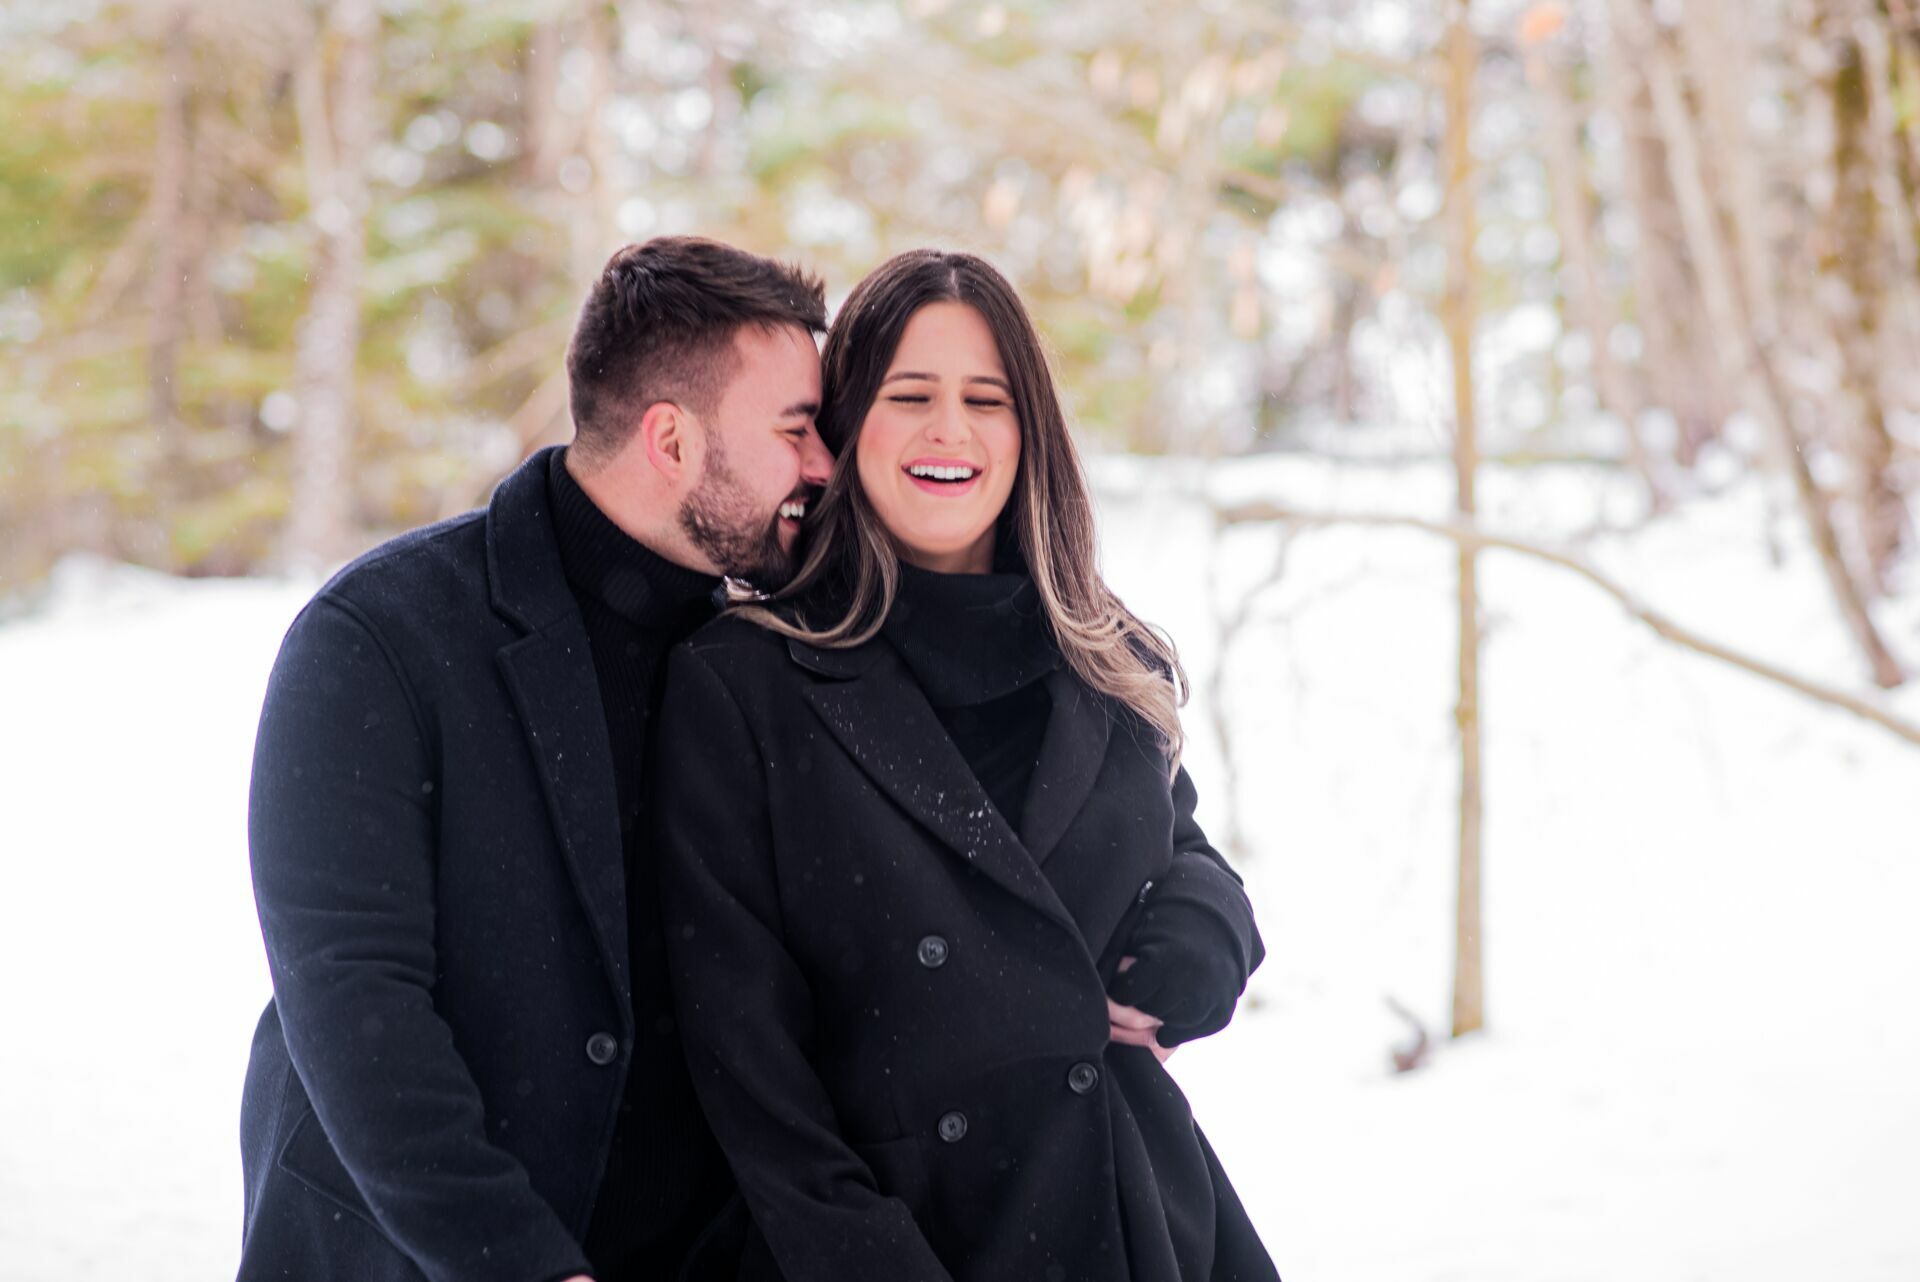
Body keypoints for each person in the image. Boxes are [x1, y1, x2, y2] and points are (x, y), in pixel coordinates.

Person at [652, 249, 1278, 1281]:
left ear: (1028, 431)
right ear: (846, 429)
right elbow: (748, 1070)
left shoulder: (1108, 656)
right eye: (912, 396)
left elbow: (1183, 852)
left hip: (1130, 1217)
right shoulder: (748, 682)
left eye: (986, 398)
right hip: (897, 1243)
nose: (952, 429)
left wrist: (1206, 932)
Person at [237, 236, 833, 1282]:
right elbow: (354, 999)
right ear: (672, 439)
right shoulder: (378, 637)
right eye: (795, 429)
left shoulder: (769, 655)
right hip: (415, 1255)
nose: (823, 465)